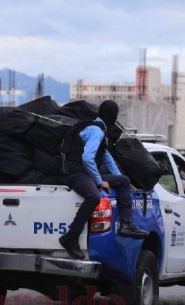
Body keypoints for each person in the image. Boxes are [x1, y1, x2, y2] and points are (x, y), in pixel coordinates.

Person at [58, 100, 149, 260]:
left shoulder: (101, 130)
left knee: (124, 181)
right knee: (93, 196)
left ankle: (127, 224)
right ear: (112, 116)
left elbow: (106, 158)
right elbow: (87, 158)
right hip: (75, 173)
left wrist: (121, 178)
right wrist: (99, 181)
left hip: (84, 172)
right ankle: (71, 237)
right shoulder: (96, 131)